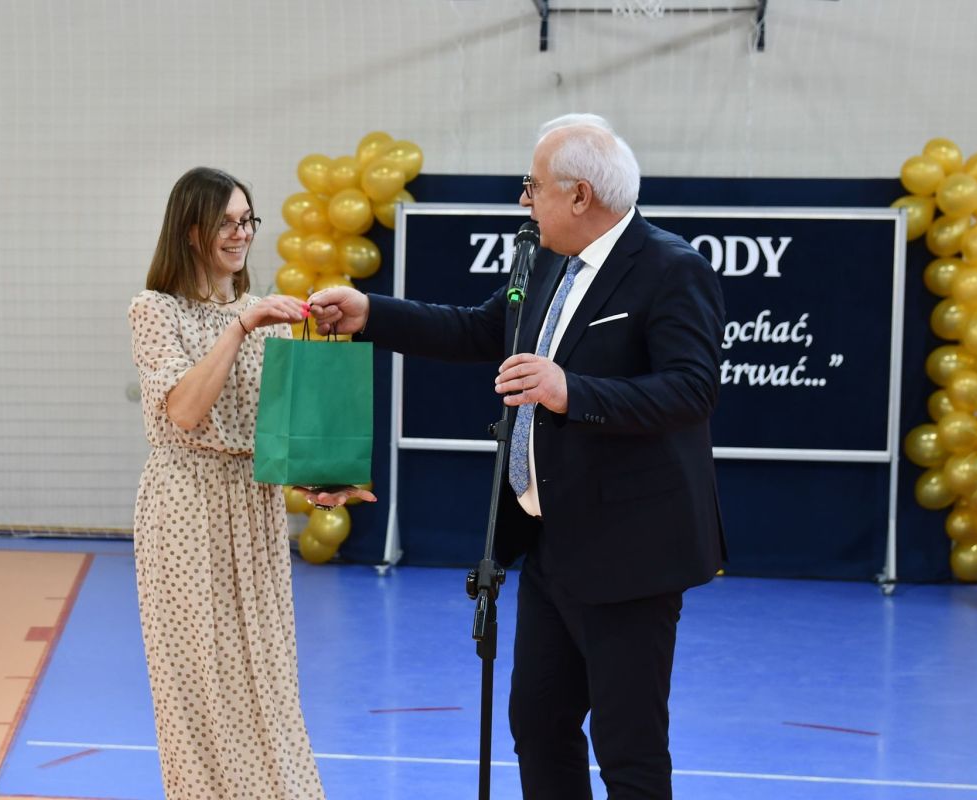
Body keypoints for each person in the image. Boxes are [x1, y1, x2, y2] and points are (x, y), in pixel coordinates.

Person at [308, 114, 726, 799]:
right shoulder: (547, 258)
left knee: (629, 748)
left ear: (580, 195)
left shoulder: (671, 268)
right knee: (538, 726)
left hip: (632, 552)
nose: (524, 200)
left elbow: (692, 390)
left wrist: (571, 390)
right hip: (549, 541)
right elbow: (481, 330)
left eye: (532, 185)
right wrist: (371, 314)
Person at [128, 166, 366, 800]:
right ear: (191, 231)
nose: (242, 234)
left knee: (266, 677)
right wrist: (238, 328)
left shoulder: (269, 319)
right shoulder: (155, 310)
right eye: (227, 223)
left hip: (252, 508)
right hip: (185, 506)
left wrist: (324, 479)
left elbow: (282, 433)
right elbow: (184, 411)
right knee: (199, 682)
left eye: (247, 220)